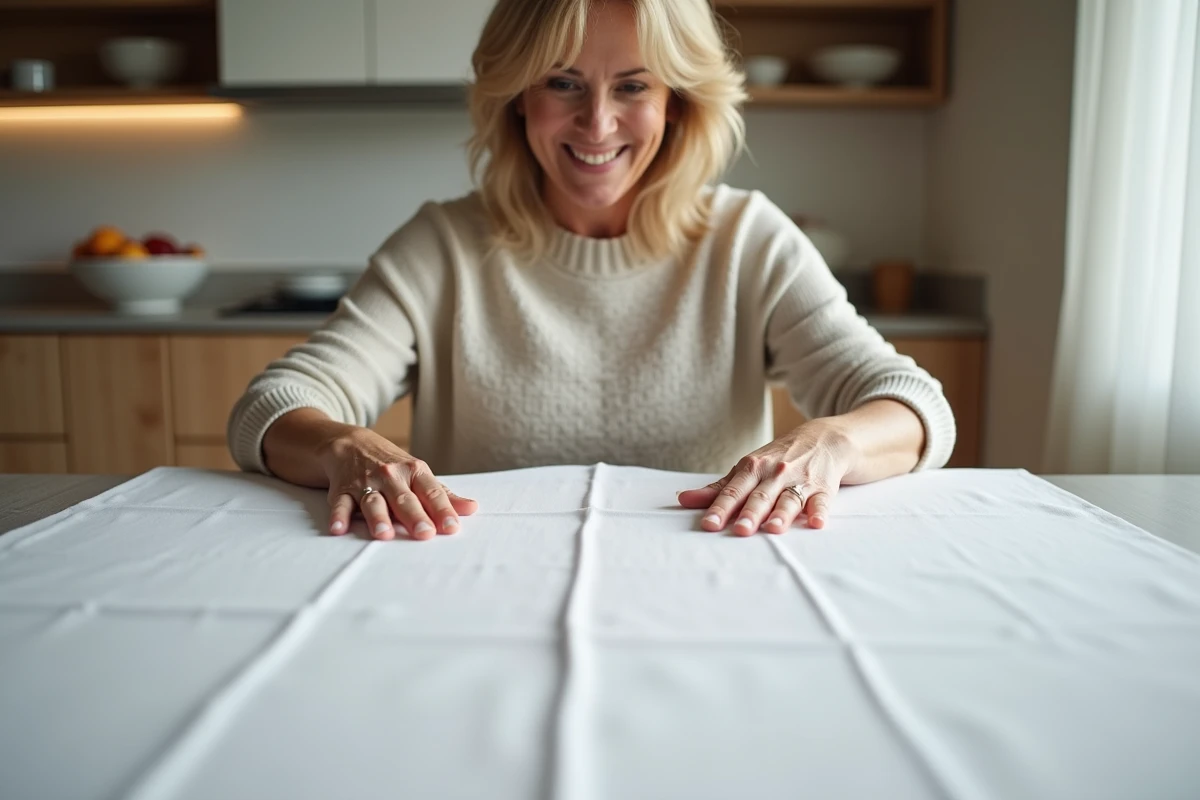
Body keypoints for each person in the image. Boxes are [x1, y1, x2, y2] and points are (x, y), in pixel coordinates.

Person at [227, 0, 956, 543]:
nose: (598, 124)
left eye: (633, 87)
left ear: (677, 105)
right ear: (517, 99)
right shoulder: (441, 245)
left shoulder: (748, 238)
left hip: (708, 581)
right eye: (563, 84)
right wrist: (340, 443)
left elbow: (913, 406)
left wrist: (830, 442)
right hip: (475, 587)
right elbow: (277, 403)